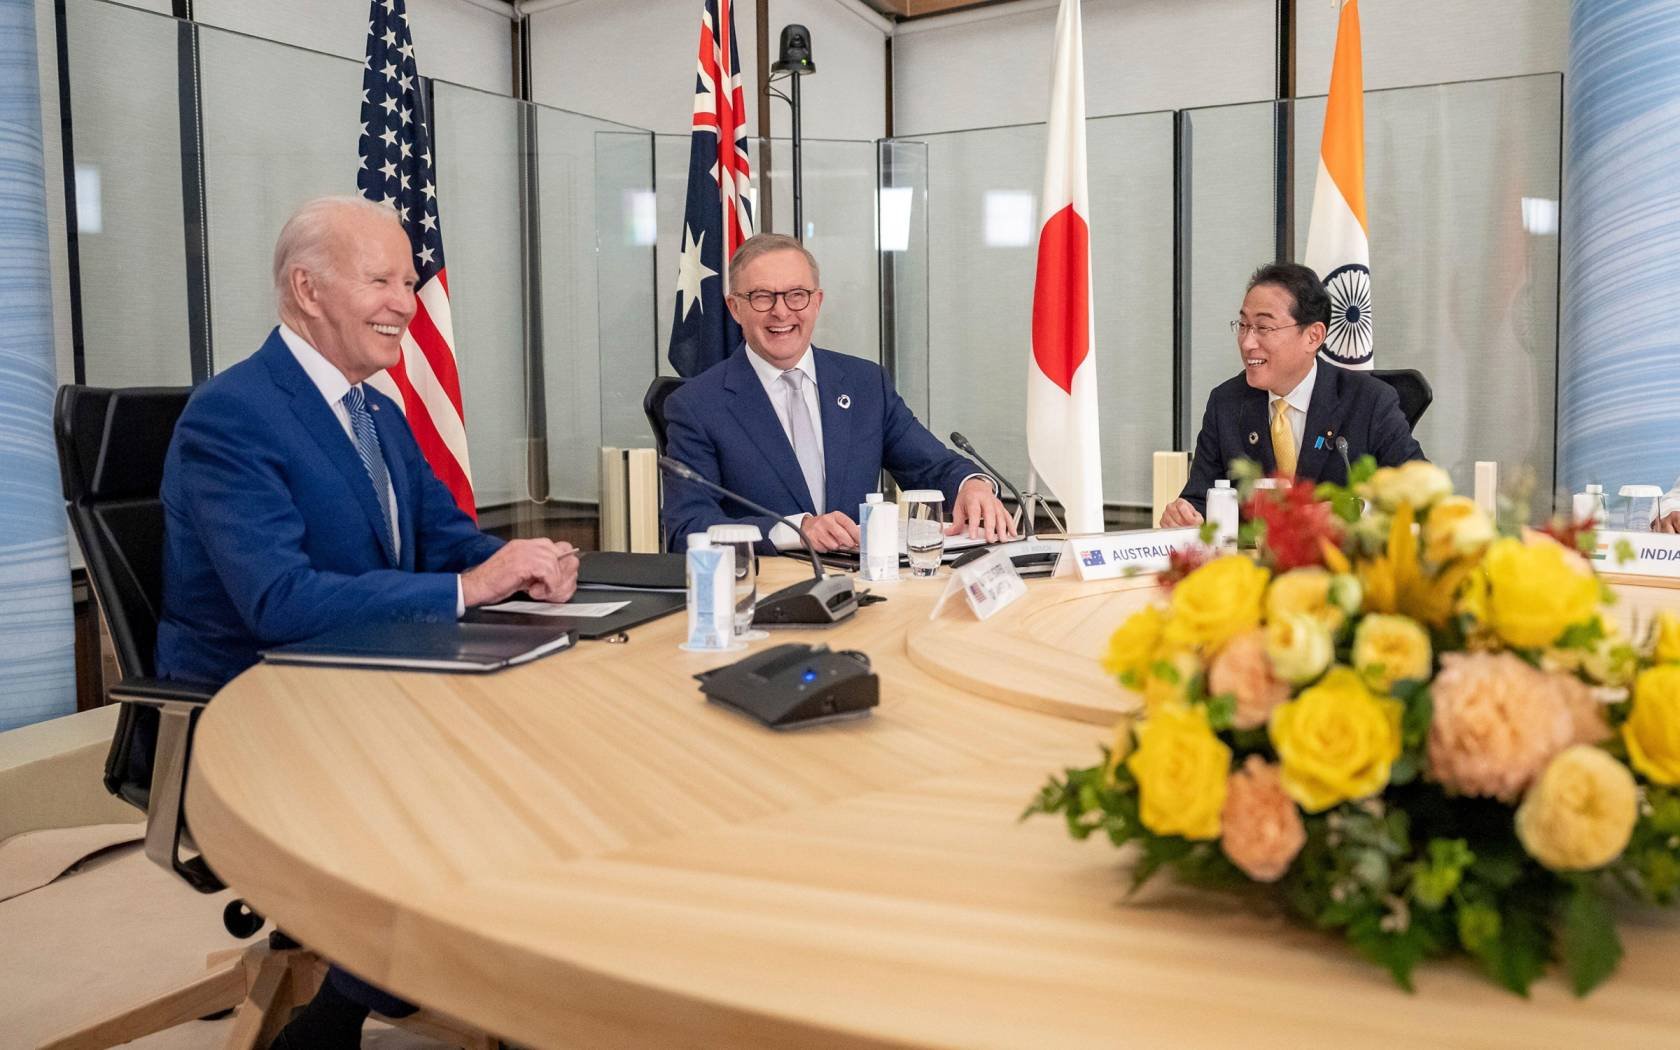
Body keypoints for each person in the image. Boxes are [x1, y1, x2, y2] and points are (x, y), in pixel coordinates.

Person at [154, 195, 578, 1049]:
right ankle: (346, 1002)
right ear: (307, 290)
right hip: (253, 709)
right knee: (482, 784)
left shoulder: (377, 408)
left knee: (548, 744)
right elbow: (281, 602)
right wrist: (467, 589)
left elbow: (446, 539)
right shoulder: (231, 415)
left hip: (372, 681)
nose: (407, 303)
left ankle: (412, 966)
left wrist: (521, 566)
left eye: (410, 283)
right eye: (382, 280)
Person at [661, 233, 1015, 553]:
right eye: (762, 297)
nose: (781, 311)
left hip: (864, 585)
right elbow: (687, 529)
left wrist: (972, 485)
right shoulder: (696, 405)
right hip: (766, 589)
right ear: (735, 308)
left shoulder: (865, 384)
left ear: (817, 302)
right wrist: (797, 530)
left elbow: (932, 466)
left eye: (796, 295)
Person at [1161, 262, 1426, 526]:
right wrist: (1184, 515)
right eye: (1243, 325)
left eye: (1263, 328)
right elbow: (1199, 500)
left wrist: (1353, 510)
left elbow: (1423, 496)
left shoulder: (1369, 401)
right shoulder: (1226, 403)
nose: (1247, 342)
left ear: (1313, 336)